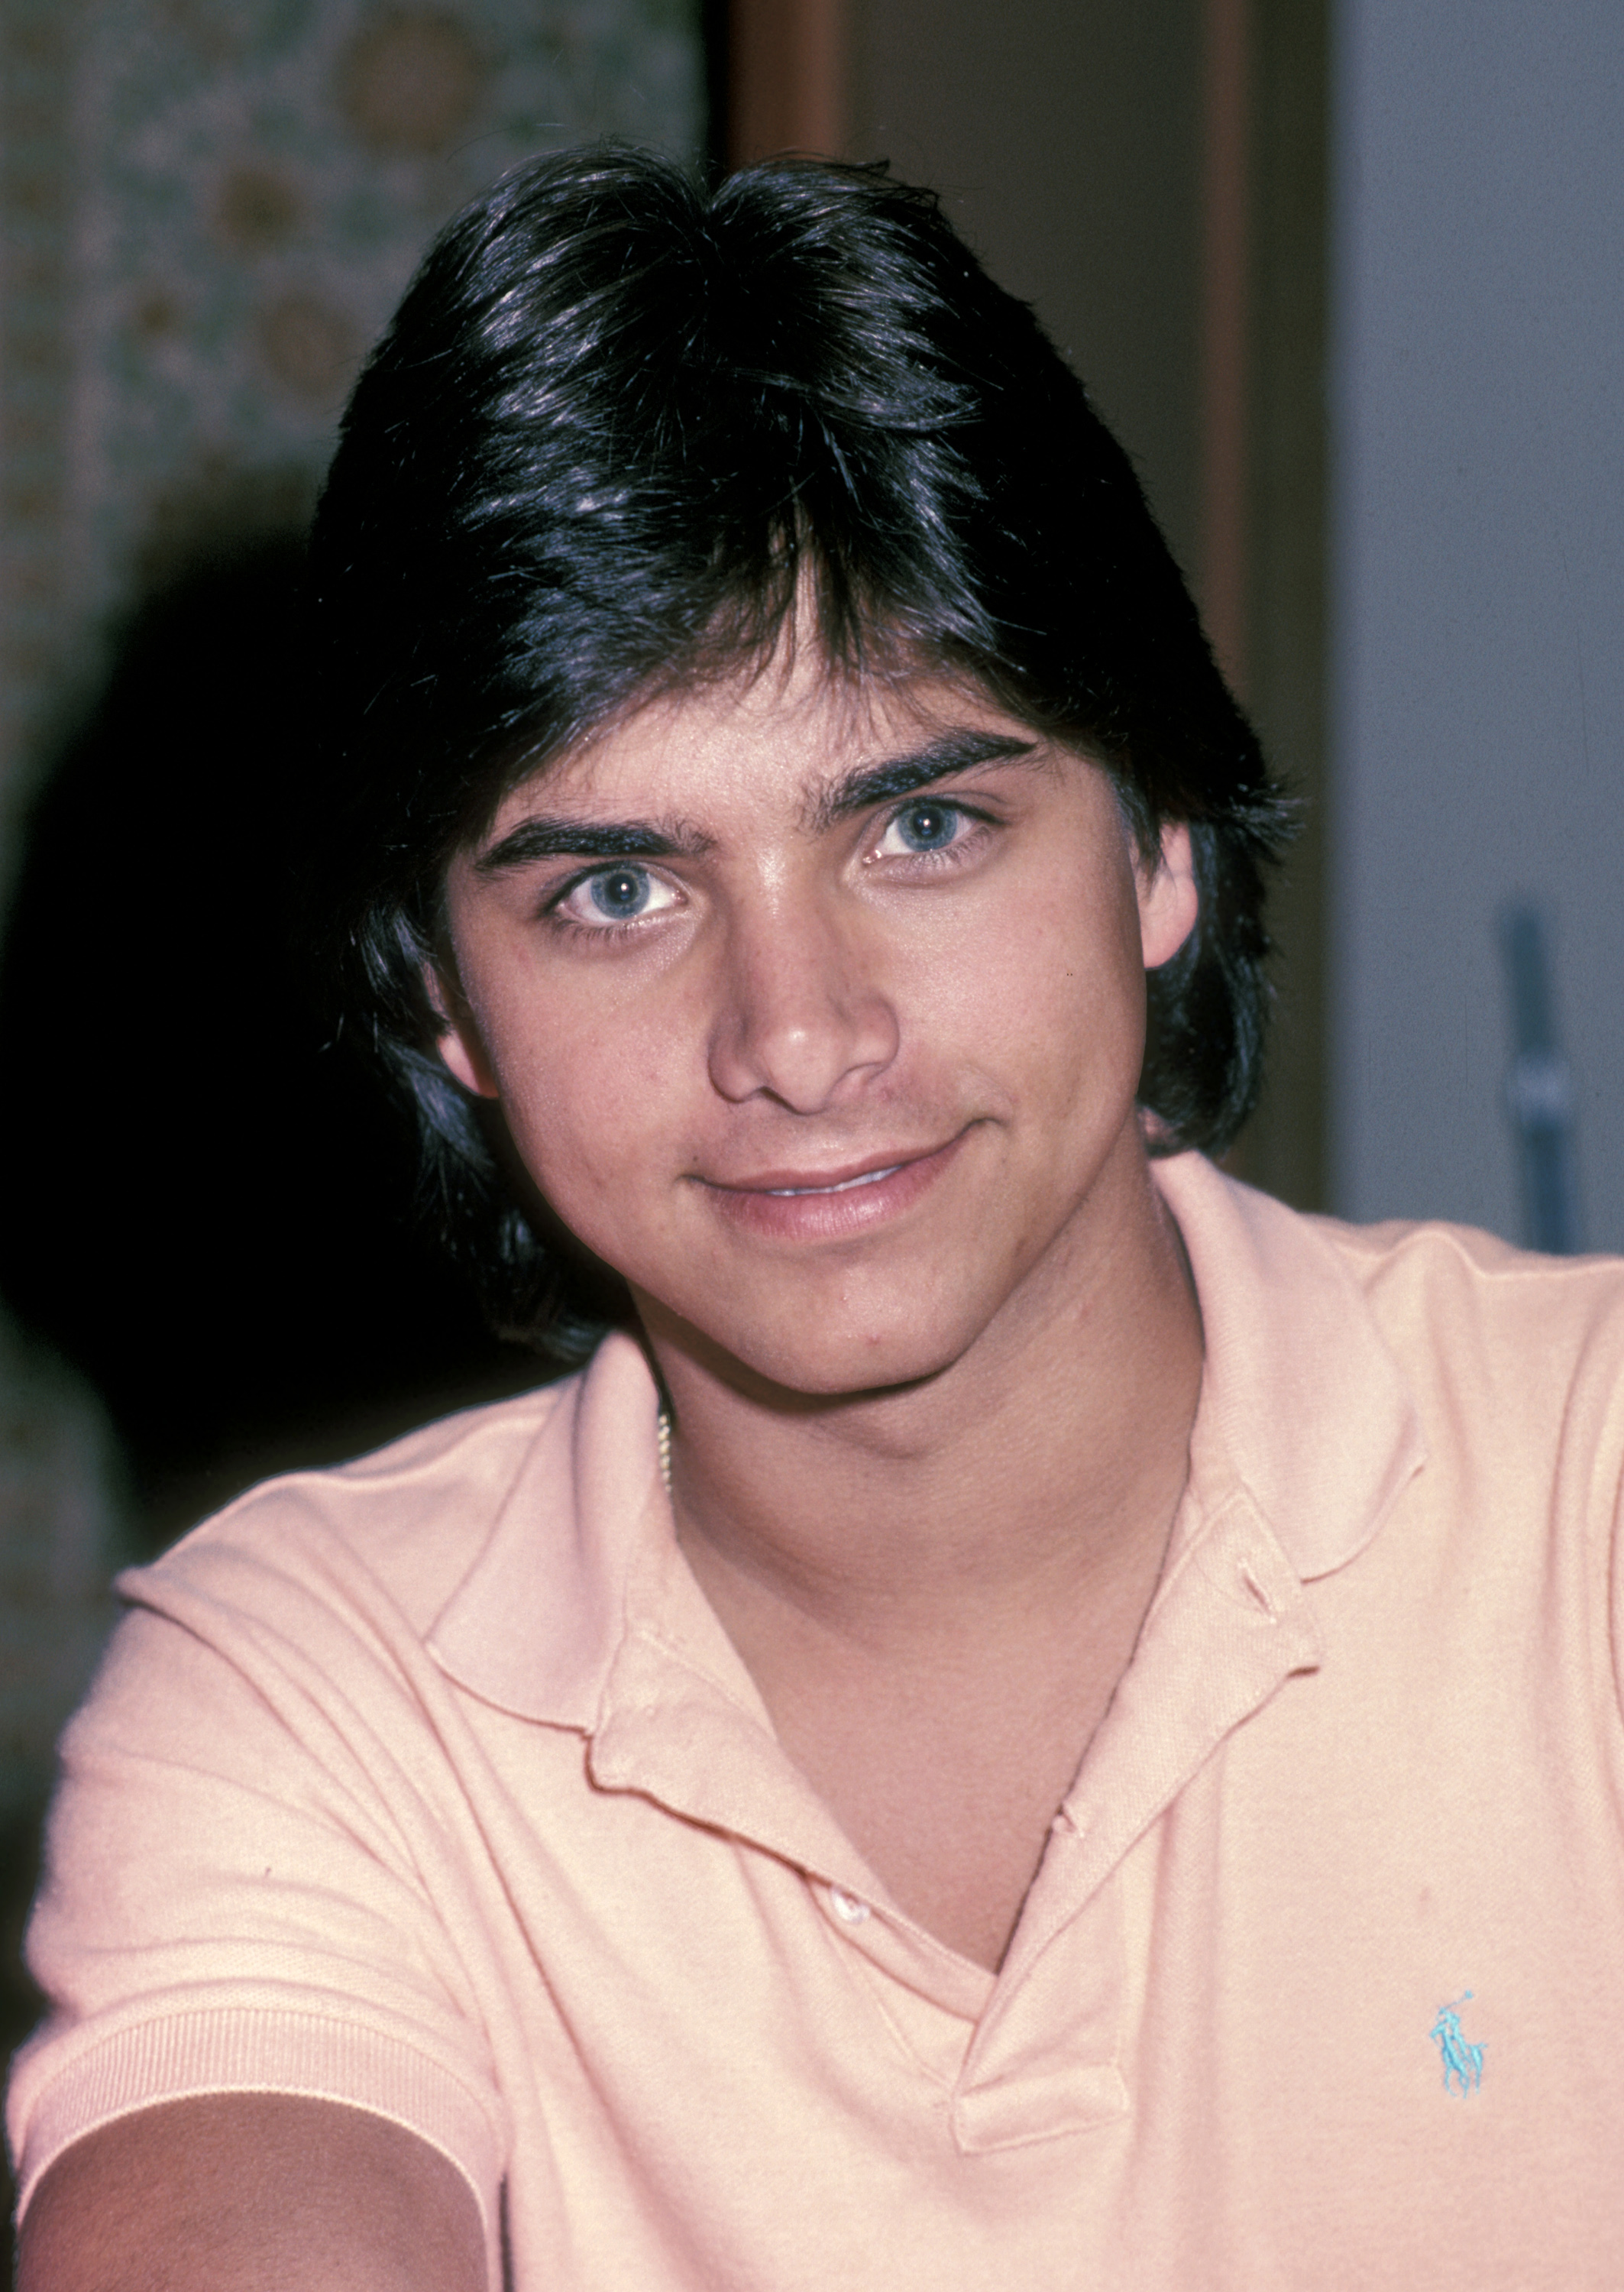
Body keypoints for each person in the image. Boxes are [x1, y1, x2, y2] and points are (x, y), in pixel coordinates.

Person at [10, 146, 1624, 2290]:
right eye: (617, 891)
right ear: (444, 1001)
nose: (797, 1033)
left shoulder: (1584, 1498)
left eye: (926, 827)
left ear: (1160, 852)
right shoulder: (314, 1692)